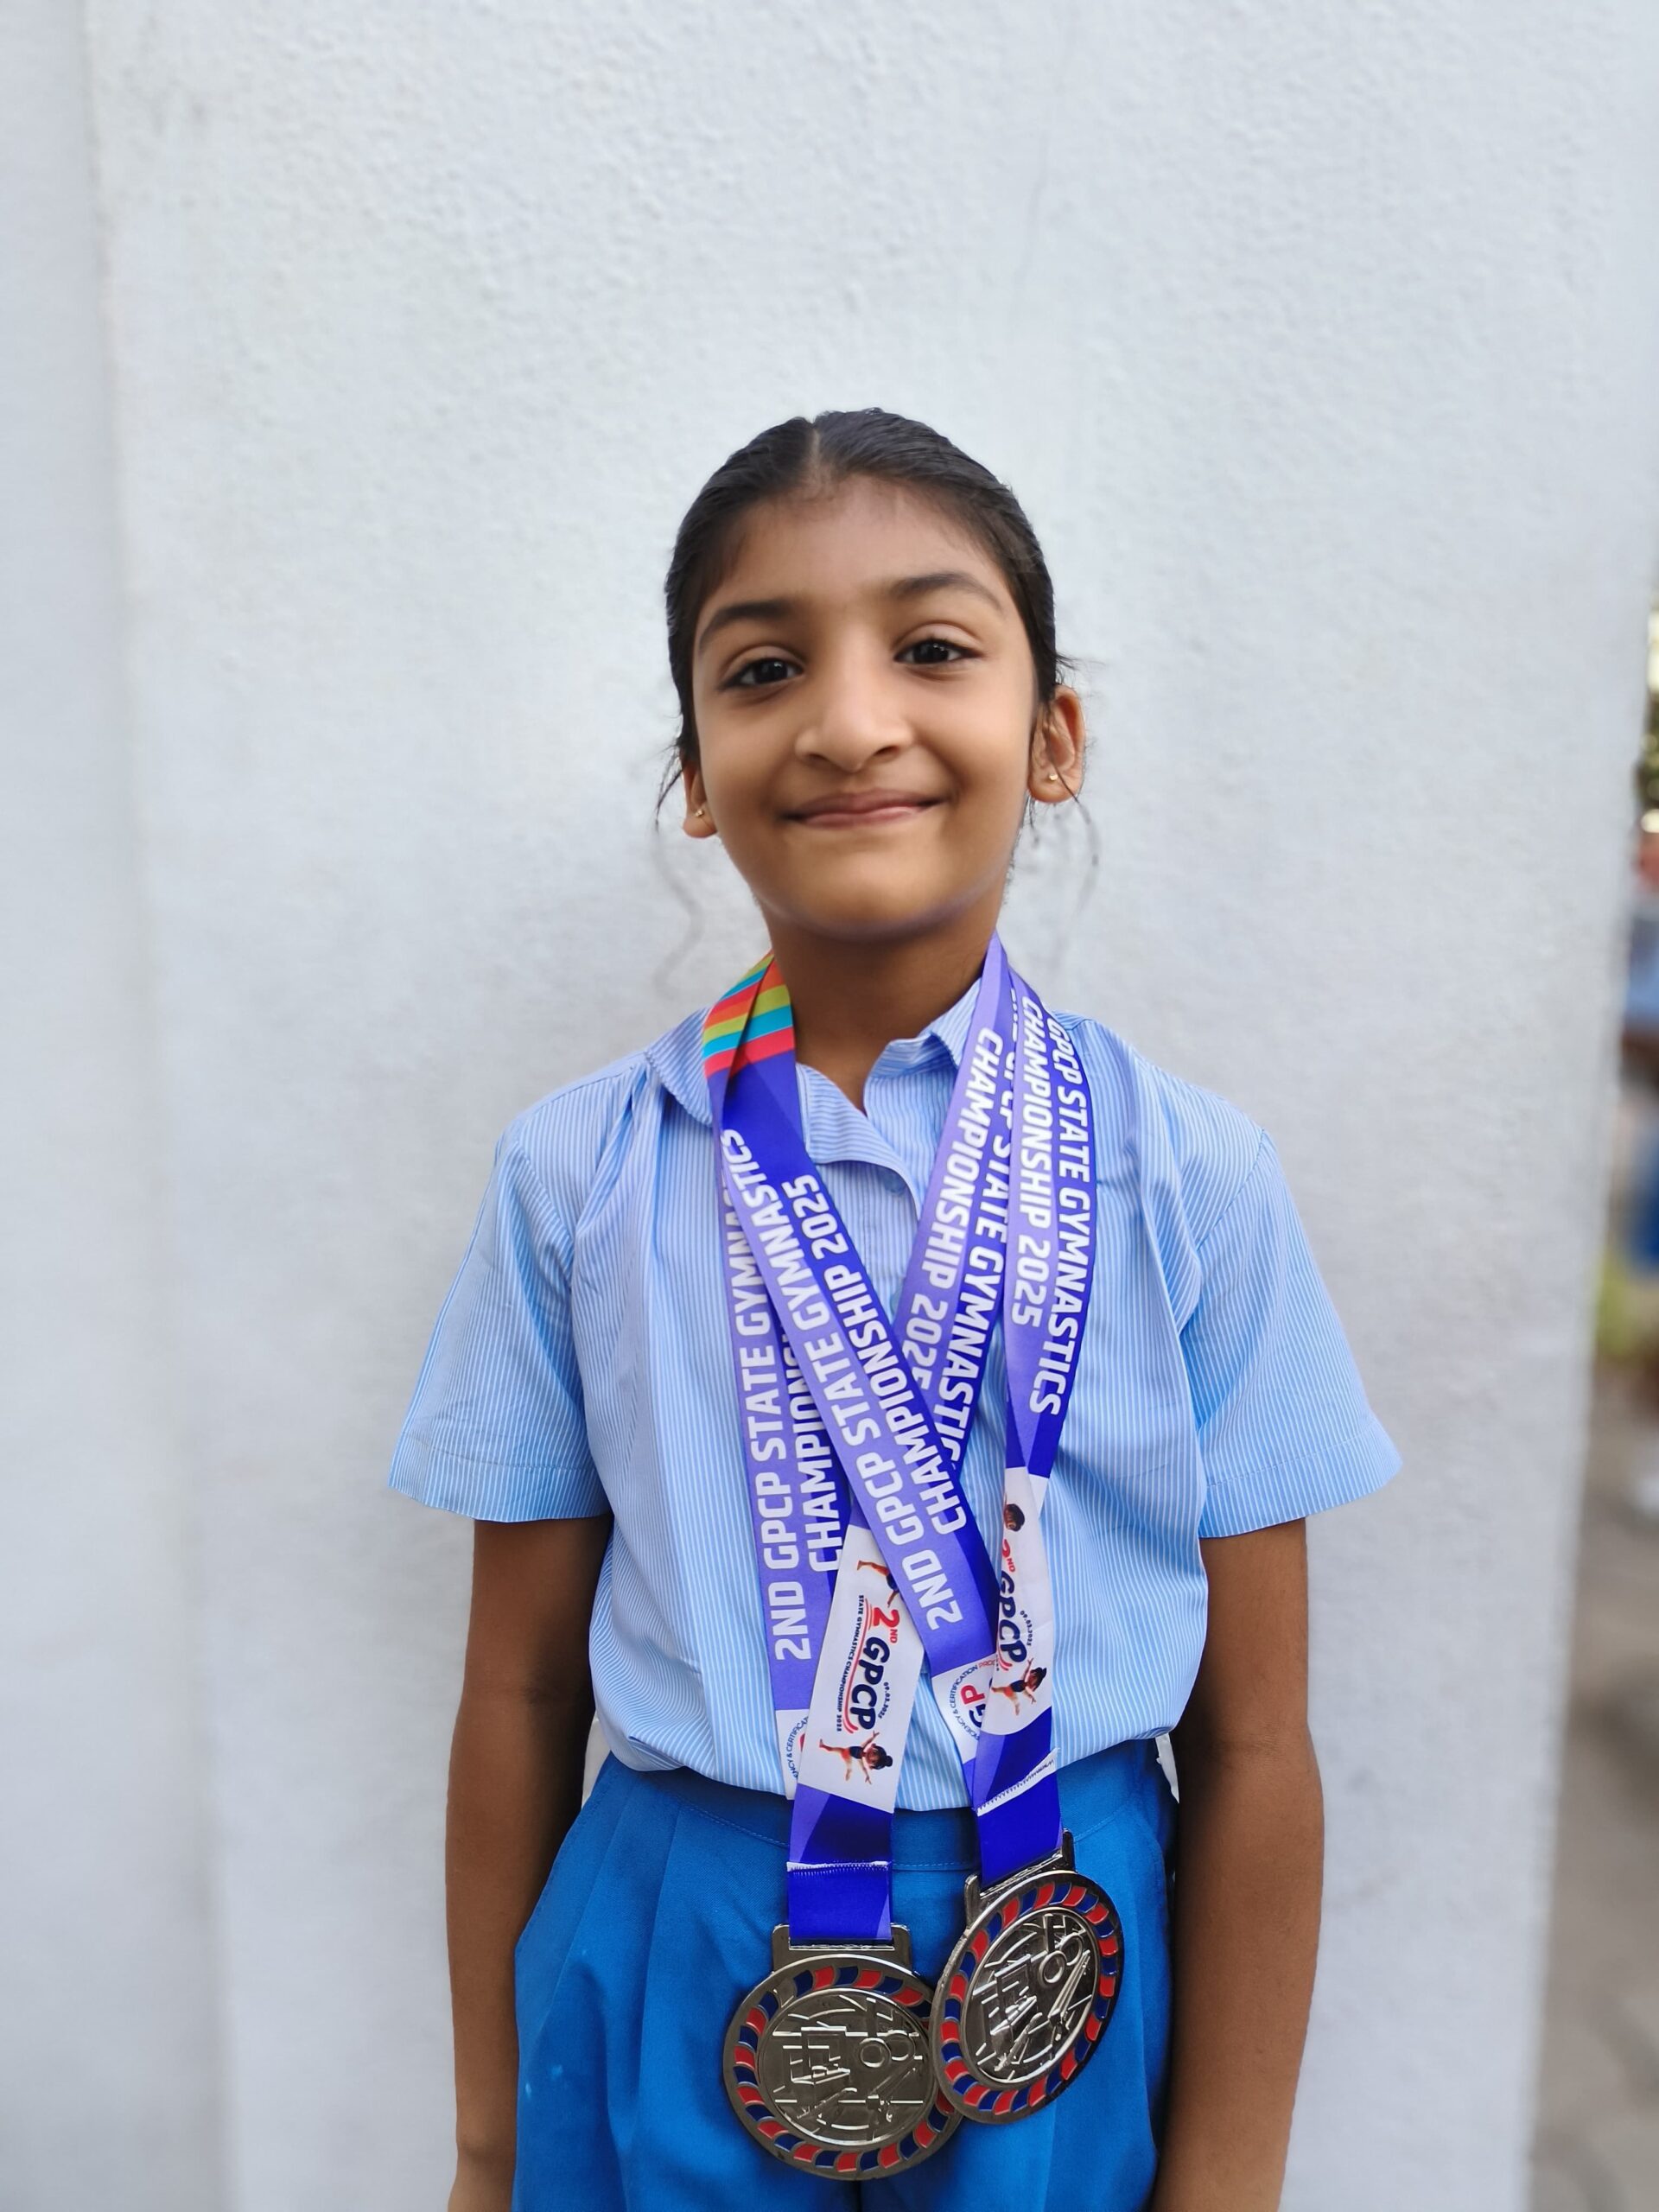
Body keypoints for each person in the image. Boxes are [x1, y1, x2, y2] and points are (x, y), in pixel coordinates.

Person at [388, 409, 1399, 2211]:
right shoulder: (576, 1176)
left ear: (1054, 733)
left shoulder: (1191, 1174)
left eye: (934, 647)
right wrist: (485, 2149)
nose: (853, 719)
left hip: (1061, 1932)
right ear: (695, 766)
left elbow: (1255, 1737)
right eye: (765, 665)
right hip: (677, 1934)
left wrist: (1230, 2174)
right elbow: (520, 1682)